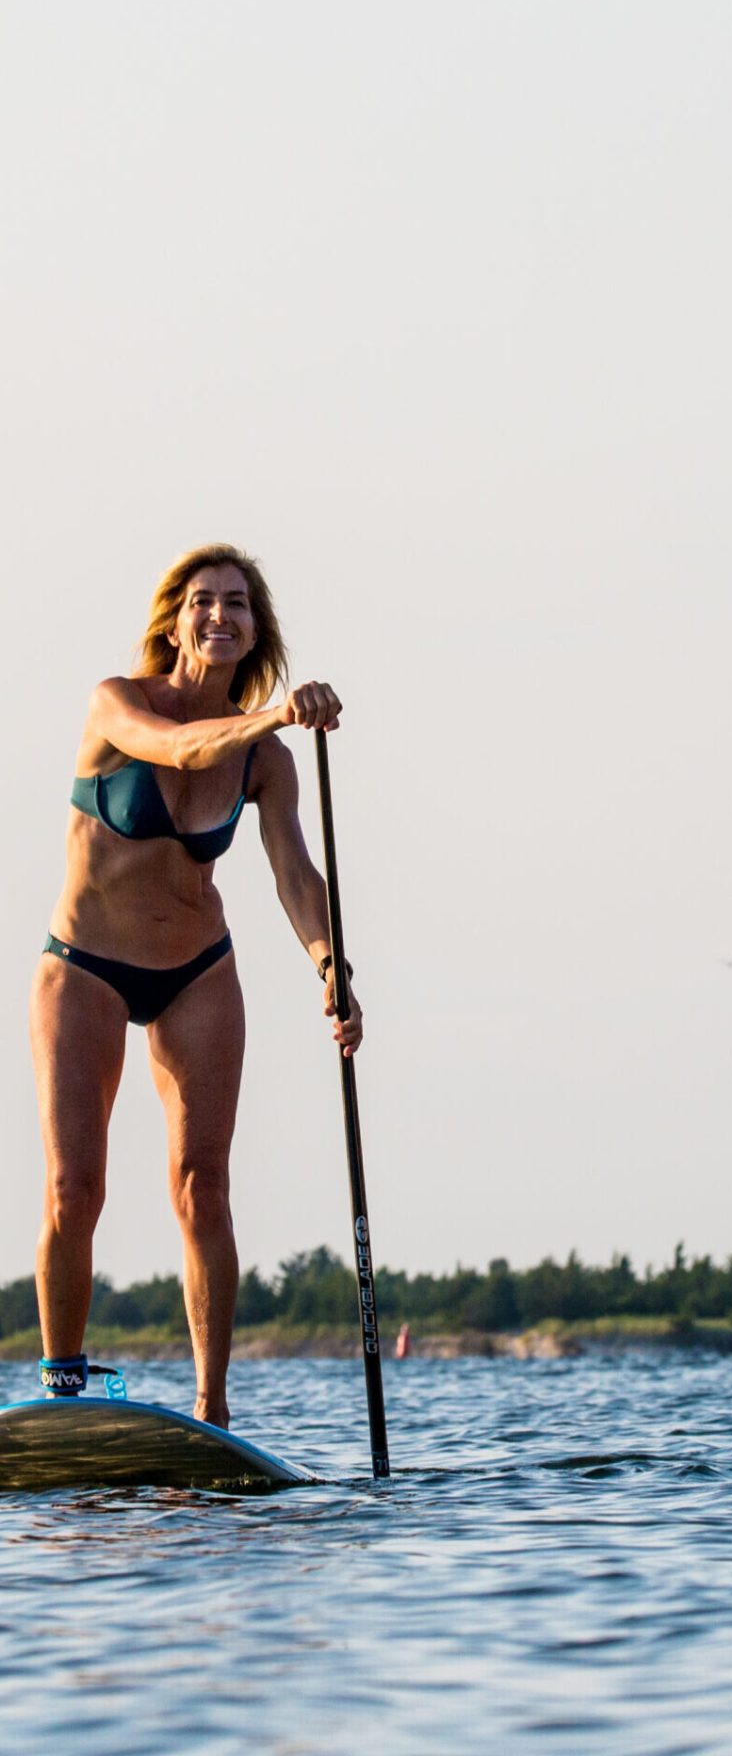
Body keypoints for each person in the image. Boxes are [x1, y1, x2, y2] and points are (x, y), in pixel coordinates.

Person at [32, 543, 363, 1428]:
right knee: (76, 1188)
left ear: (257, 631)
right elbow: (178, 750)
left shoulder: (266, 760)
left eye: (239, 605)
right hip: (85, 966)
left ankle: (212, 1408)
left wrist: (332, 966)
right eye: (205, 601)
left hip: (196, 969)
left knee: (203, 1185)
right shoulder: (120, 703)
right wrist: (273, 716)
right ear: (175, 619)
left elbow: (295, 875)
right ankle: (63, 1386)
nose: (221, 616)